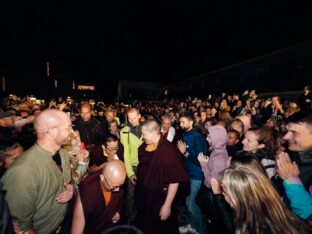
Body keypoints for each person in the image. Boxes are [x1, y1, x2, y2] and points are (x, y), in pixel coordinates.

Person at [1, 109, 75, 233]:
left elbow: (65, 181)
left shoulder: (63, 154)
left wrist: (71, 188)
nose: (72, 132)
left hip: (64, 222)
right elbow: (18, 224)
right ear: (52, 132)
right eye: (68, 128)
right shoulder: (23, 171)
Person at [220, 167, 311, 234]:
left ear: (237, 197)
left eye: (224, 190)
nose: (222, 193)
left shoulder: (258, 227)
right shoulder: (274, 209)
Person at [135, 120, 188, 234]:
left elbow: (175, 180)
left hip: (161, 198)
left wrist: (167, 205)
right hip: (148, 196)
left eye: (144, 134)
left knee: (162, 226)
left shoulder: (168, 150)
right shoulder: (146, 146)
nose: (142, 137)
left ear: (154, 132)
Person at [71, 160, 126, 234]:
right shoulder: (87, 192)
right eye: (114, 187)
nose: (118, 190)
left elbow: (120, 202)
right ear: (102, 177)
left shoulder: (116, 183)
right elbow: (76, 230)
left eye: (120, 185)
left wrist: (118, 212)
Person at [177, 111, 208, 234]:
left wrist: (185, 153)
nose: (180, 124)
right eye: (180, 122)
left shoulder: (197, 137)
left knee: (190, 203)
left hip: (197, 175)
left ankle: (201, 230)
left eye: (183, 122)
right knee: (187, 201)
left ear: (191, 122)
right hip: (188, 173)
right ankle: (192, 225)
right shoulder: (185, 134)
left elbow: (202, 160)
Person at [120, 108, 143, 223]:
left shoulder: (146, 128)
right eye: (129, 118)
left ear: (139, 116)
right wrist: (130, 173)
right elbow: (126, 155)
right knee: (130, 194)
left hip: (145, 166)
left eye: (134, 117)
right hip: (133, 166)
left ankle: (144, 214)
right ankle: (130, 216)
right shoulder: (124, 131)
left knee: (145, 191)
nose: (132, 120)